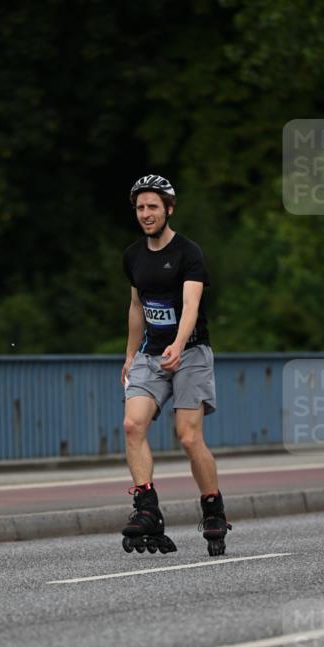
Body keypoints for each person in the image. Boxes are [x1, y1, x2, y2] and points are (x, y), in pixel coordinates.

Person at [120, 174, 230, 556]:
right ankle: (147, 509)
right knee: (133, 423)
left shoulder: (188, 253)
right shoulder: (133, 256)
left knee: (187, 436)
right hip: (150, 355)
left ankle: (212, 507)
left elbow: (191, 306)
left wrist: (180, 345)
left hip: (192, 353)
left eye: (152, 206)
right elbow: (137, 307)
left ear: (169, 208)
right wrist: (130, 354)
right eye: (140, 208)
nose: (146, 214)